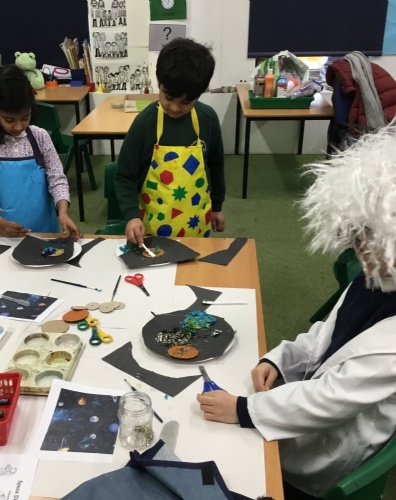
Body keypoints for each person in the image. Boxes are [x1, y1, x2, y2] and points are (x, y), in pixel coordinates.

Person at [197, 126, 396, 499]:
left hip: (329, 446)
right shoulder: (374, 282)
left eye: (371, 242)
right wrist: (280, 359)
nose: (360, 252)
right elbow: (327, 335)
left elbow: (329, 399)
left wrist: (243, 410)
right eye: (358, 239)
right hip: (309, 406)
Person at [115, 38, 225, 246]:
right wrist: (132, 216)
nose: (175, 107)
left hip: (196, 225)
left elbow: (216, 167)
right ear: (159, 82)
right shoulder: (145, 123)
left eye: (186, 102)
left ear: (199, 94)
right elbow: (125, 176)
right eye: (169, 97)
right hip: (152, 229)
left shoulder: (207, 119)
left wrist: (217, 207)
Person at [0, 64, 80, 239]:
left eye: (25, 118)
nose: (18, 127)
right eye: (8, 120)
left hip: (44, 231)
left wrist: (63, 212)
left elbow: (57, 179)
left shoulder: (40, 137)